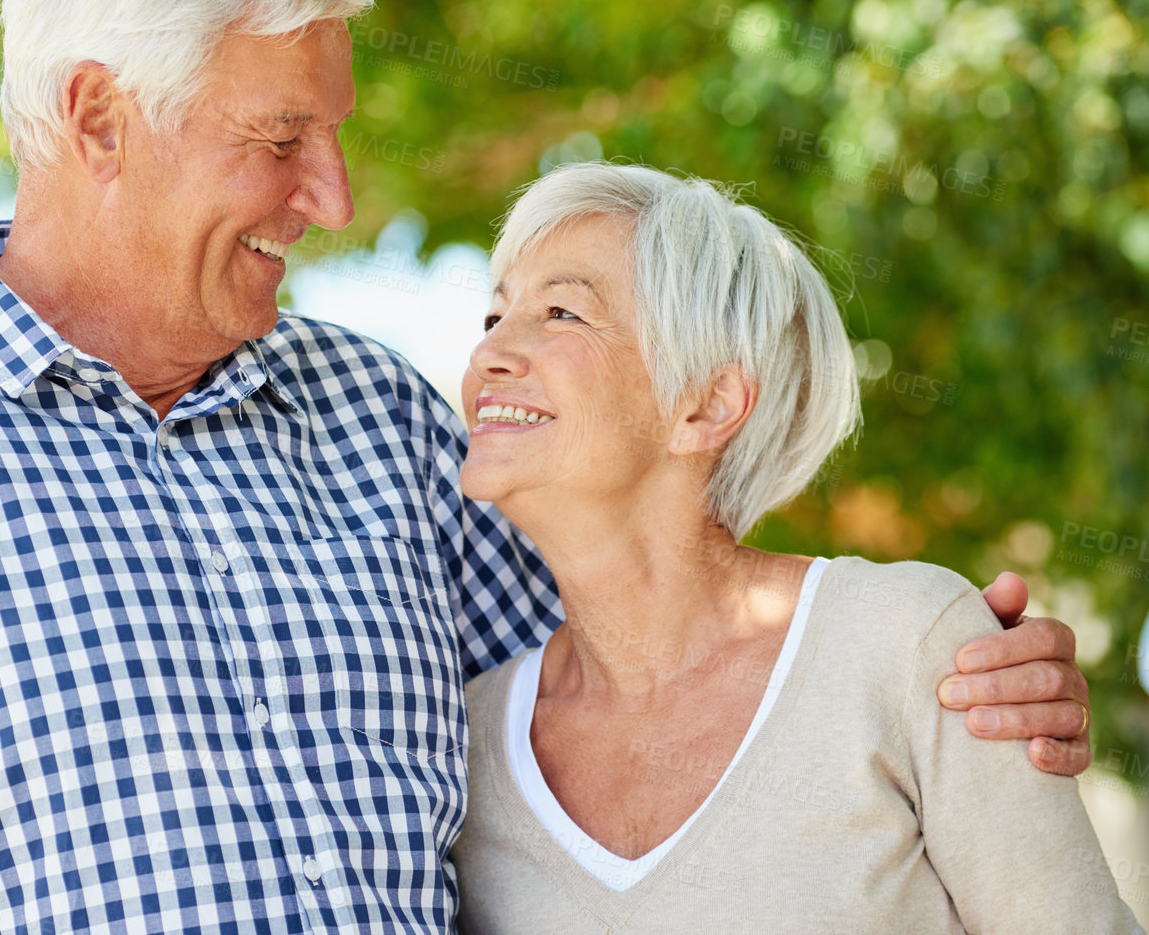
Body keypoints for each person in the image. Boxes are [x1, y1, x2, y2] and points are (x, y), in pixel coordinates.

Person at [0, 0, 1094, 934]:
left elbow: (653, 661)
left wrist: (946, 674)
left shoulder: (381, 420)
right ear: (97, 114)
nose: (333, 196)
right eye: (279, 137)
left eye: (334, 137)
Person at [450, 163, 1137, 933]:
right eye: (492, 318)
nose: (490, 355)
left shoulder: (905, 642)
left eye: (562, 313)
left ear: (705, 405)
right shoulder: (462, 737)